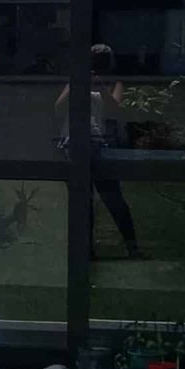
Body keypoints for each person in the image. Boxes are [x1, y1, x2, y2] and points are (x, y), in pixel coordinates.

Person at [55, 44, 143, 258]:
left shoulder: (114, 82)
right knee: (83, 201)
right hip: (75, 143)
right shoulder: (77, 79)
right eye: (95, 60)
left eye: (102, 60)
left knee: (113, 198)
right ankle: (86, 249)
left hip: (101, 144)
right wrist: (79, 84)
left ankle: (132, 246)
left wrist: (101, 87)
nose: (98, 64)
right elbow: (59, 108)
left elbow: (115, 110)